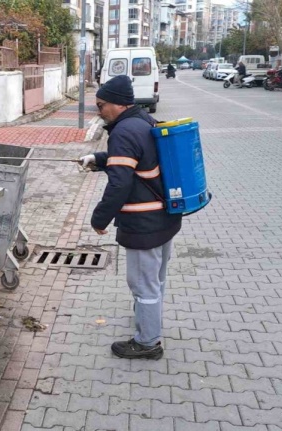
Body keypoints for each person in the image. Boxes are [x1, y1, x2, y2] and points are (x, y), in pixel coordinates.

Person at [78, 75, 182, 360]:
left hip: (143, 224)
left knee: (143, 283)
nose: (99, 111)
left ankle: (148, 342)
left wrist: (99, 219)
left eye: (101, 105)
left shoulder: (123, 132)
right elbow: (137, 160)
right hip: (164, 218)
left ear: (117, 104)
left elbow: (120, 183)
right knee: (156, 279)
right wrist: (98, 160)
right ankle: (148, 320)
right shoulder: (144, 121)